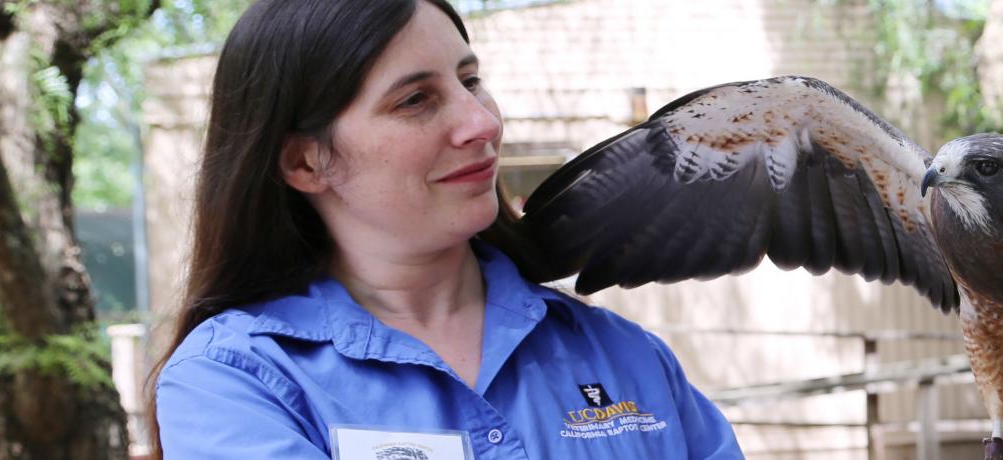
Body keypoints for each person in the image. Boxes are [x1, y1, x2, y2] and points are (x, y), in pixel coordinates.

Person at [147, 0, 741, 458]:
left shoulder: (624, 356)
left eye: (471, 80)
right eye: (415, 100)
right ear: (306, 162)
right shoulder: (234, 383)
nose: (480, 122)